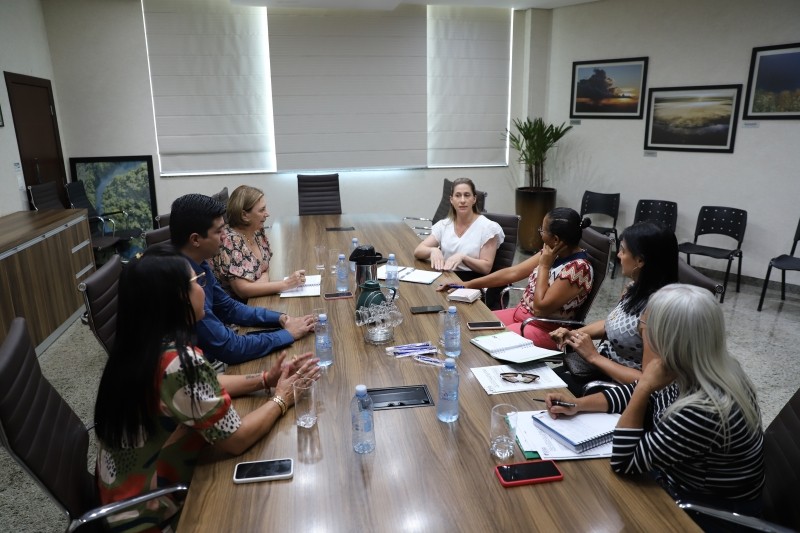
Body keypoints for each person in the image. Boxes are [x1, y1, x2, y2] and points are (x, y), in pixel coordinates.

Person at [94, 248, 321, 532]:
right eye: (197, 282)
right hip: (147, 512)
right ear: (176, 298)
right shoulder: (180, 364)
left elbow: (200, 388)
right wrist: (282, 398)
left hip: (120, 492)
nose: (204, 290)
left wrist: (265, 379)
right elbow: (236, 439)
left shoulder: (140, 346)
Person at [546, 284, 764, 519]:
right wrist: (579, 405)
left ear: (666, 337)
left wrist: (645, 386)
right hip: (680, 481)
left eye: (644, 326)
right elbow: (643, 395)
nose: (641, 332)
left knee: (581, 499)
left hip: (703, 511)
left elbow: (624, 462)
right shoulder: (703, 366)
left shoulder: (703, 408)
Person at [171, 193, 315, 364]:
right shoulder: (182, 283)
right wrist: (288, 334)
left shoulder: (199, 264)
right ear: (195, 239)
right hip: (206, 367)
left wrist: (280, 318)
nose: (225, 237)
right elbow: (231, 348)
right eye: (218, 231)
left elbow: (228, 308)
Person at [440, 207, 592, 349]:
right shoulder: (552, 252)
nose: (540, 233)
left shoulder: (578, 269)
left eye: (542, 230)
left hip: (545, 329)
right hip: (522, 316)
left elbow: (540, 309)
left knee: (485, 342)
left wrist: (544, 266)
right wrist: (466, 284)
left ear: (556, 240)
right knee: (470, 323)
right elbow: (512, 273)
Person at [550, 221, 678, 384]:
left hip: (618, 388)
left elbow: (648, 381)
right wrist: (574, 334)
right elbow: (613, 323)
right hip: (601, 368)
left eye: (623, 250)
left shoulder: (657, 311)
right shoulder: (635, 288)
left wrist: (593, 357)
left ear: (640, 261)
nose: (618, 255)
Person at [212, 185, 306, 301]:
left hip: (258, 299)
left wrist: (261, 281)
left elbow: (265, 266)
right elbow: (243, 292)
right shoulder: (230, 241)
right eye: (262, 210)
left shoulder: (257, 231)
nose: (267, 214)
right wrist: (286, 284)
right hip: (239, 309)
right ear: (244, 215)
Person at [413, 178, 504, 281]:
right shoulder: (444, 225)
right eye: (458, 195)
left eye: (467, 195)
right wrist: (432, 250)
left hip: (472, 282)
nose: (462, 200)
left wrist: (463, 257)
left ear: (474, 199)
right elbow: (418, 251)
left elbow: (486, 267)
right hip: (447, 278)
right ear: (451, 200)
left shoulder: (489, 228)